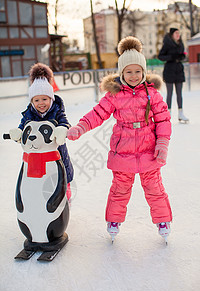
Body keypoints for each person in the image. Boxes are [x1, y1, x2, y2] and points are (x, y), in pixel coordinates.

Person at [67, 36, 172, 242]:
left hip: (149, 149)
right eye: (128, 71)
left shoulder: (152, 94)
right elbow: (98, 113)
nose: (133, 76)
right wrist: (81, 127)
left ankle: (163, 220)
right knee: (120, 188)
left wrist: (162, 143)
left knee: (154, 187)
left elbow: (163, 119)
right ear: (122, 73)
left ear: (143, 71)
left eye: (137, 71)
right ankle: (114, 221)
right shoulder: (115, 95)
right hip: (122, 150)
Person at [9, 63, 74, 201]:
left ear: (50, 98)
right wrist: (18, 133)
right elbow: (23, 127)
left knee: (61, 170)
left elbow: (64, 122)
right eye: (36, 100)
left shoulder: (56, 111)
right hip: (36, 151)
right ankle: (38, 194)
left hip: (56, 150)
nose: (41, 103)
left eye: (44, 99)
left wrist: (63, 129)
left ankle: (64, 188)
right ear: (32, 101)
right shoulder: (29, 114)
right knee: (37, 172)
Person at [158, 28, 189, 122]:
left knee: (179, 93)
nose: (178, 35)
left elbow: (182, 54)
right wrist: (171, 57)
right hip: (169, 71)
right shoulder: (167, 44)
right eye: (176, 33)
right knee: (170, 93)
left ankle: (181, 113)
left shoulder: (180, 44)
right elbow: (160, 56)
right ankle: (168, 113)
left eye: (179, 33)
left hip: (179, 70)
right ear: (172, 35)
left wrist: (182, 57)